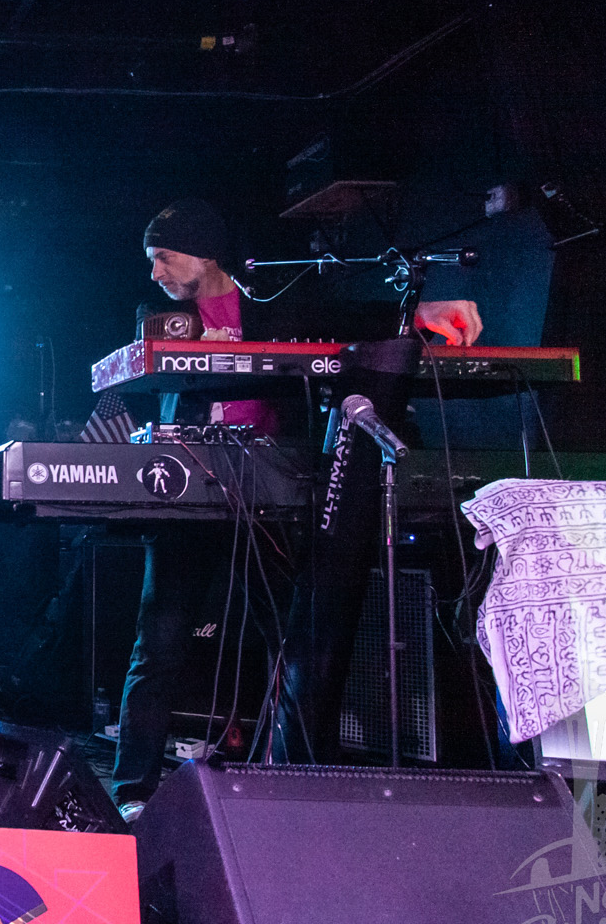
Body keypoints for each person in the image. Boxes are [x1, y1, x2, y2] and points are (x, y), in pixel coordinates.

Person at [109, 198, 482, 818]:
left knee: (291, 641)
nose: (155, 272)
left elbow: (346, 317)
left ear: (205, 253)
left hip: (271, 498)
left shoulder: (273, 305)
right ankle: (133, 791)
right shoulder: (163, 320)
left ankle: (287, 777)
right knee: (160, 642)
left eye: (164, 257)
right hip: (191, 497)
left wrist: (422, 311)